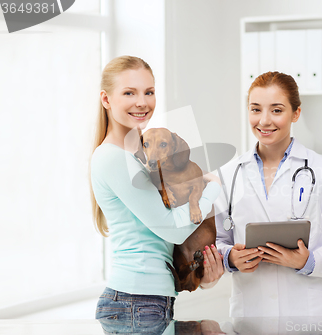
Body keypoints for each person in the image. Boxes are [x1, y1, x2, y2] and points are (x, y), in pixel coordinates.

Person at [90, 56, 224, 334]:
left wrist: (204, 275)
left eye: (148, 92)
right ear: (106, 99)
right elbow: (172, 230)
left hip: (144, 302)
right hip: (135, 302)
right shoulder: (116, 158)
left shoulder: (139, 157)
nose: (142, 102)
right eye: (129, 93)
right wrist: (212, 185)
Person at [215, 71, 322, 317]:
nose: (264, 121)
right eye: (255, 109)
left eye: (276, 110)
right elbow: (219, 240)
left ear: (296, 113)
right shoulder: (229, 174)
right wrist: (231, 258)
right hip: (251, 319)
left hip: (310, 317)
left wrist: (309, 262)